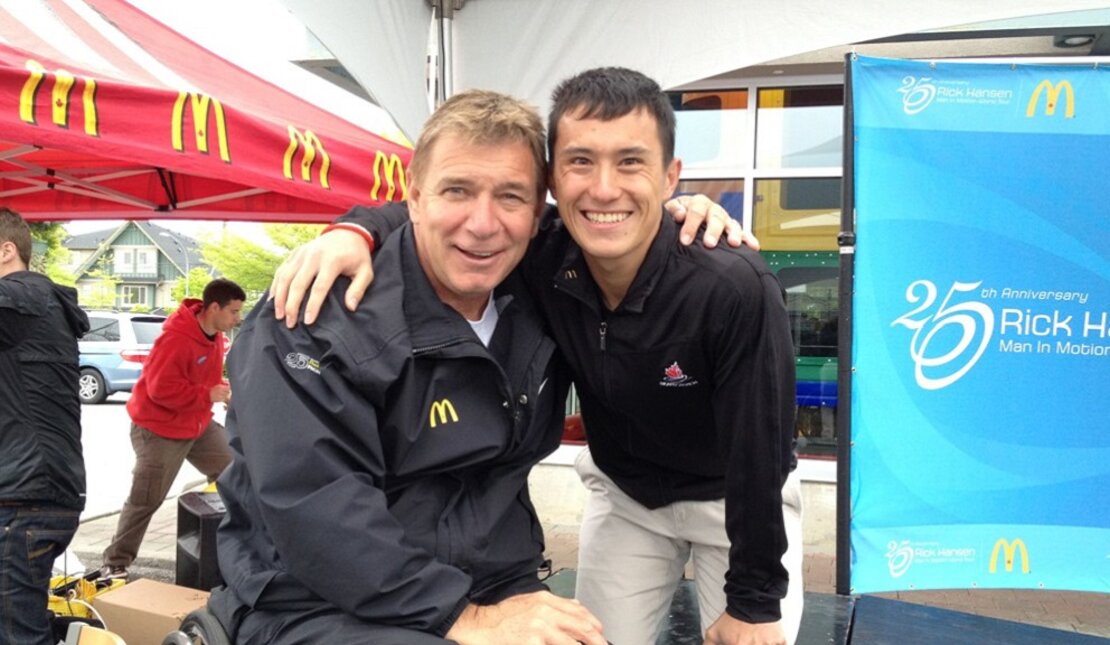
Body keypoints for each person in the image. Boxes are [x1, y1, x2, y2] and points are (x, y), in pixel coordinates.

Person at [274, 67, 803, 645]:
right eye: (580, 161)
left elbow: (761, 451)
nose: (603, 188)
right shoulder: (539, 250)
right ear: (553, 179)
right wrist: (354, 230)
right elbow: (442, 206)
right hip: (627, 498)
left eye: (630, 162)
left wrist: (753, 602)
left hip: (735, 500)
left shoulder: (730, 286)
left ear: (670, 176)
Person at [207, 90, 606, 645]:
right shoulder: (309, 318)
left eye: (511, 197)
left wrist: (685, 218)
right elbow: (317, 509)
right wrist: (465, 619)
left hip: (492, 580)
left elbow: (623, 228)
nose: (484, 223)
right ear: (414, 196)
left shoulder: (544, 286)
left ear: (538, 210)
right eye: (457, 191)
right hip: (314, 603)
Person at [100, 278, 245, 580]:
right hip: (159, 429)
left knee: (235, 472)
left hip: (197, 424)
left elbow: (204, 379)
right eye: (233, 312)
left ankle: (238, 549)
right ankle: (115, 564)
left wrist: (222, 392)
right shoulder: (176, 339)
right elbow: (159, 389)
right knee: (146, 499)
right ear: (214, 307)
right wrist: (206, 394)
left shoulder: (215, 335)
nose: (237, 319)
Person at [0, 208, 90, 645]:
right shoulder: (44, 304)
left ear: (6, 251)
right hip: (43, 491)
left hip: (25, 499)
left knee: (17, 633)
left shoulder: (17, 299)